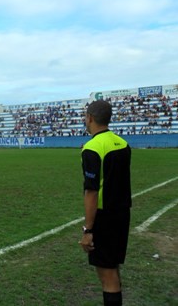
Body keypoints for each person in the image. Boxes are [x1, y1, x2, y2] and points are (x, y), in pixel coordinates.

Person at [79, 100, 132, 306]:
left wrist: (88, 230)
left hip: (104, 217)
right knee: (113, 269)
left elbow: (92, 192)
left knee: (107, 275)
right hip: (122, 213)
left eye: (85, 116)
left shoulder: (93, 147)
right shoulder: (123, 144)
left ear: (90, 118)